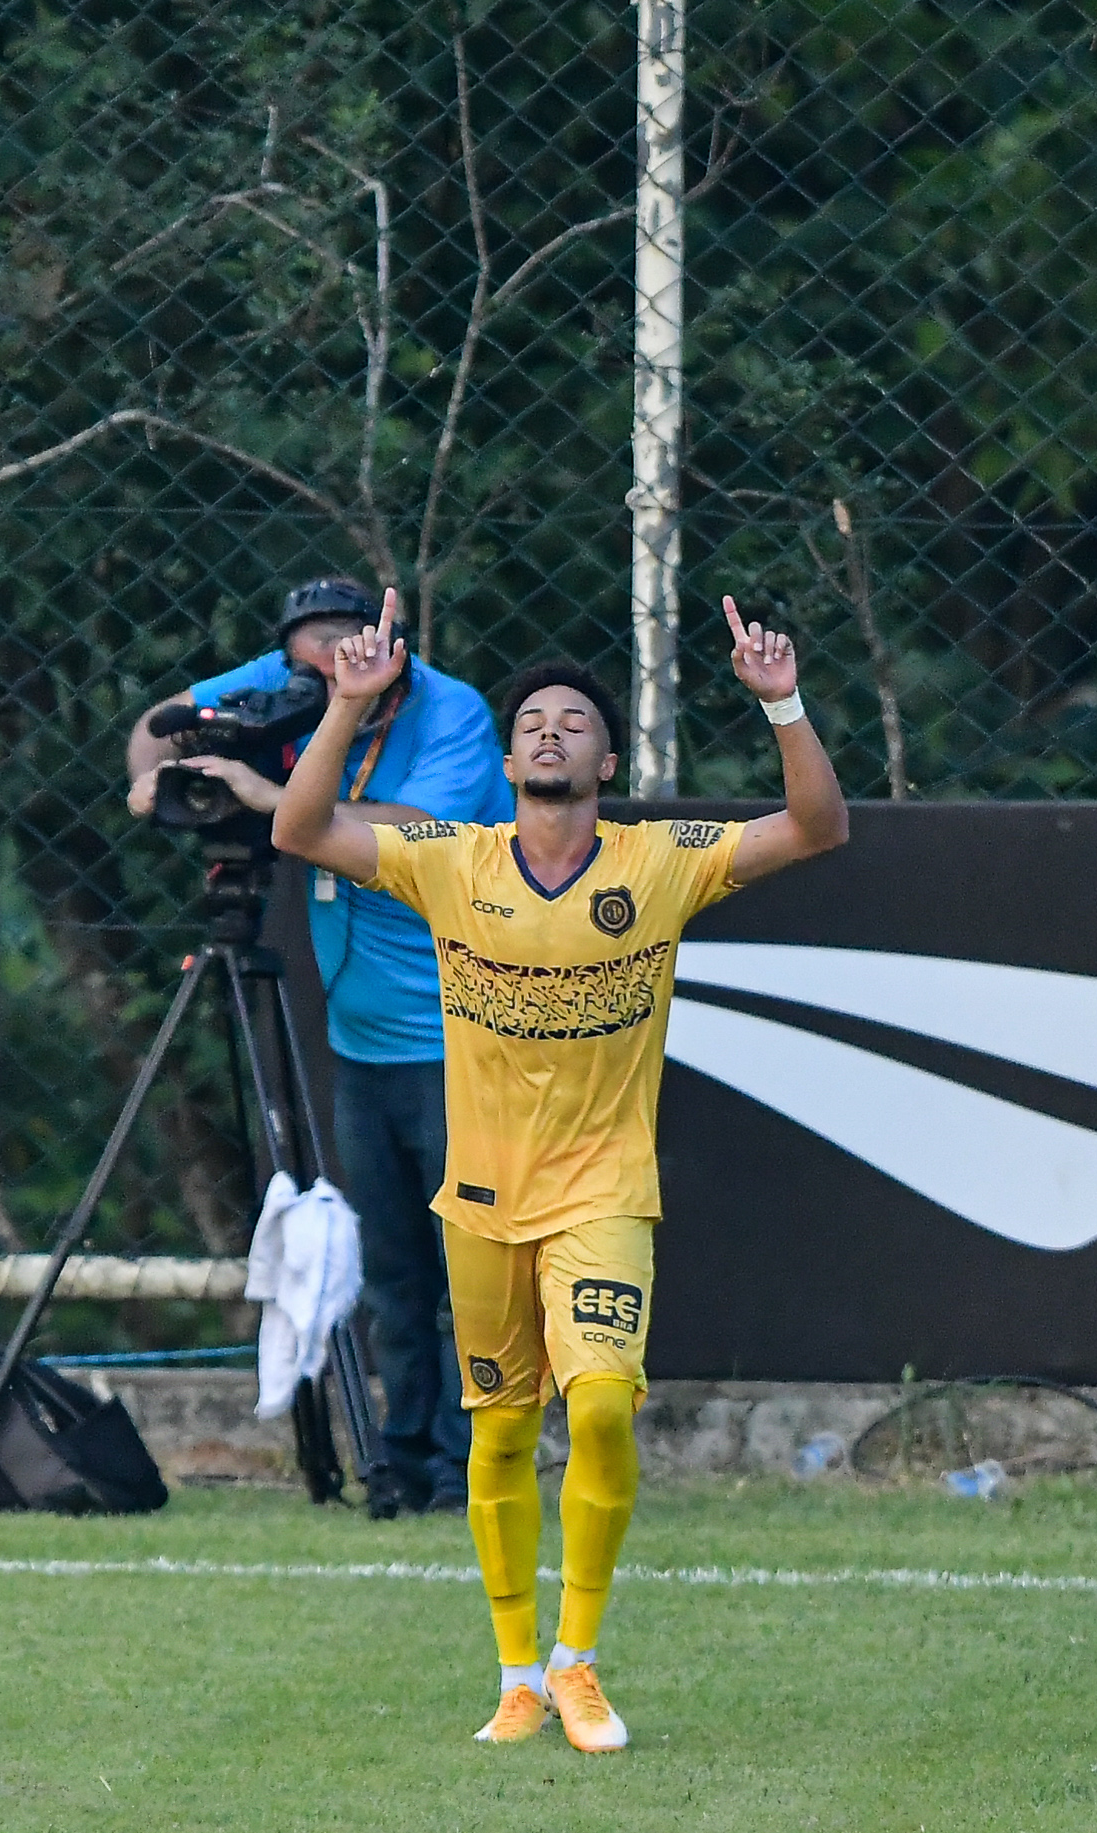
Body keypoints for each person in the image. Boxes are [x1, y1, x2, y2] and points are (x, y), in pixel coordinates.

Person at [275, 591, 847, 1752]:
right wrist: (347, 704)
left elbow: (816, 826)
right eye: (532, 719)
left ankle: (580, 1658)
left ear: (609, 756)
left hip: (605, 1193)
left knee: (599, 1408)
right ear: (503, 757)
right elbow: (300, 830)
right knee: (498, 1431)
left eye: (573, 720)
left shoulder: (660, 860)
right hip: (482, 1198)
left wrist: (781, 702)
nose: (550, 731)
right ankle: (518, 1672)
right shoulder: (452, 860)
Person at [125, 577, 512, 1515]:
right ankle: (405, 1459)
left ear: (392, 653)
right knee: (389, 1269)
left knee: (467, 1263)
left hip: (457, 1029)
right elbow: (159, 721)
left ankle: (475, 1464)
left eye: (349, 658)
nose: (327, 673)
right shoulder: (295, 667)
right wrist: (151, 774)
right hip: (360, 1039)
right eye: (311, 659)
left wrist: (271, 794)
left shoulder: (452, 710)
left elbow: (423, 834)